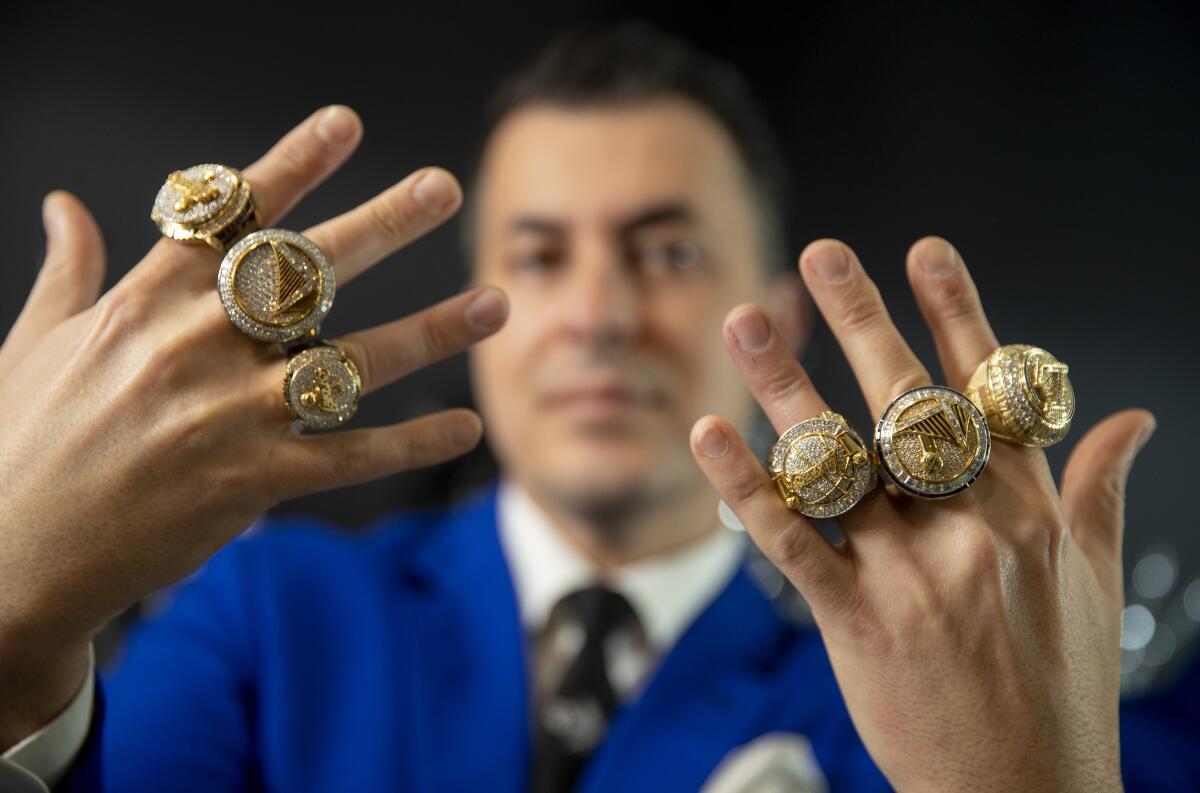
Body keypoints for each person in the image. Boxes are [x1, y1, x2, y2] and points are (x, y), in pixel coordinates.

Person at [1, 20, 1197, 793]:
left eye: (667, 254)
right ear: (482, 299)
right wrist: (11, 627)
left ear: (774, 313)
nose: (600, 315)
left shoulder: (964, 665)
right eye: (540, 254)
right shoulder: (268, 617)